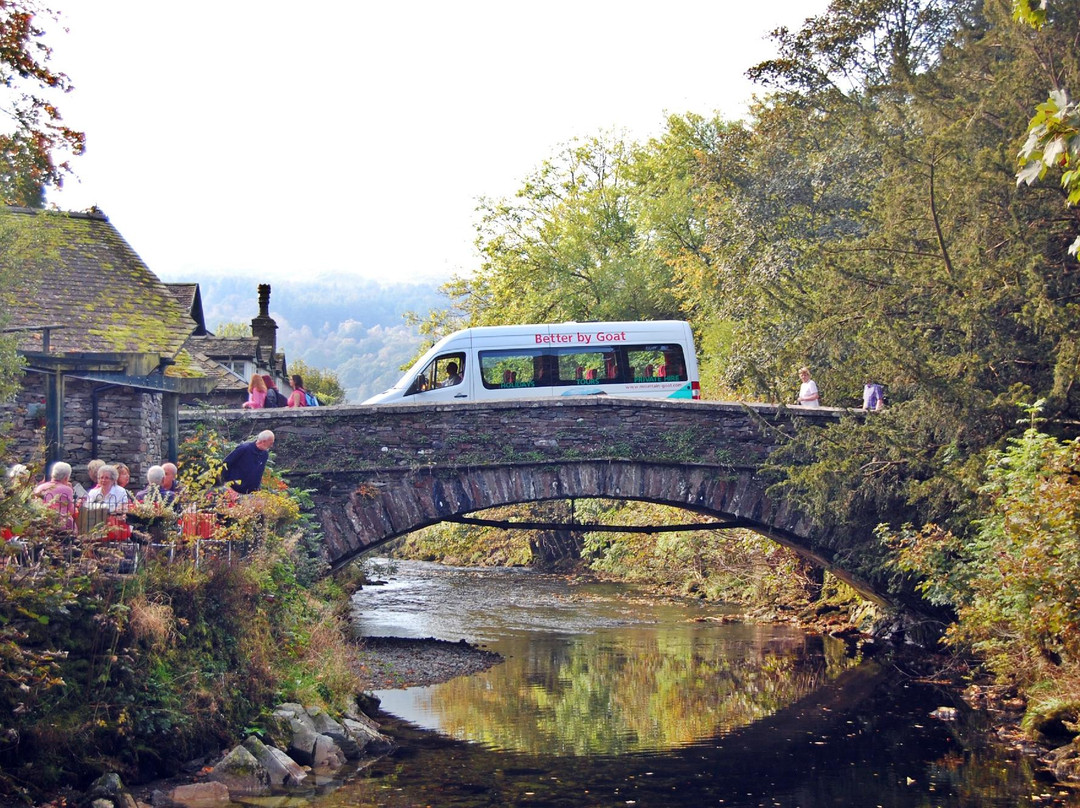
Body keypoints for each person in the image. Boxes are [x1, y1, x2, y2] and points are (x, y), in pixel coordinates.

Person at [220, 430, 275, 494]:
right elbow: (225, 464)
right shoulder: (244, 449)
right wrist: (225, 483)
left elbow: (259, 474)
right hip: (233, 491)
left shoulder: (265, 454)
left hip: (252, 493)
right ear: (263, 441)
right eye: (270, 443)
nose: (271, 446)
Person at [33, 461, 77, 532]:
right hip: (63, 526)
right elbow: (72, 511)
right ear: (66, 477)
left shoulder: (40, 488)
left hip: (43, 524)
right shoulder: (67, 490)